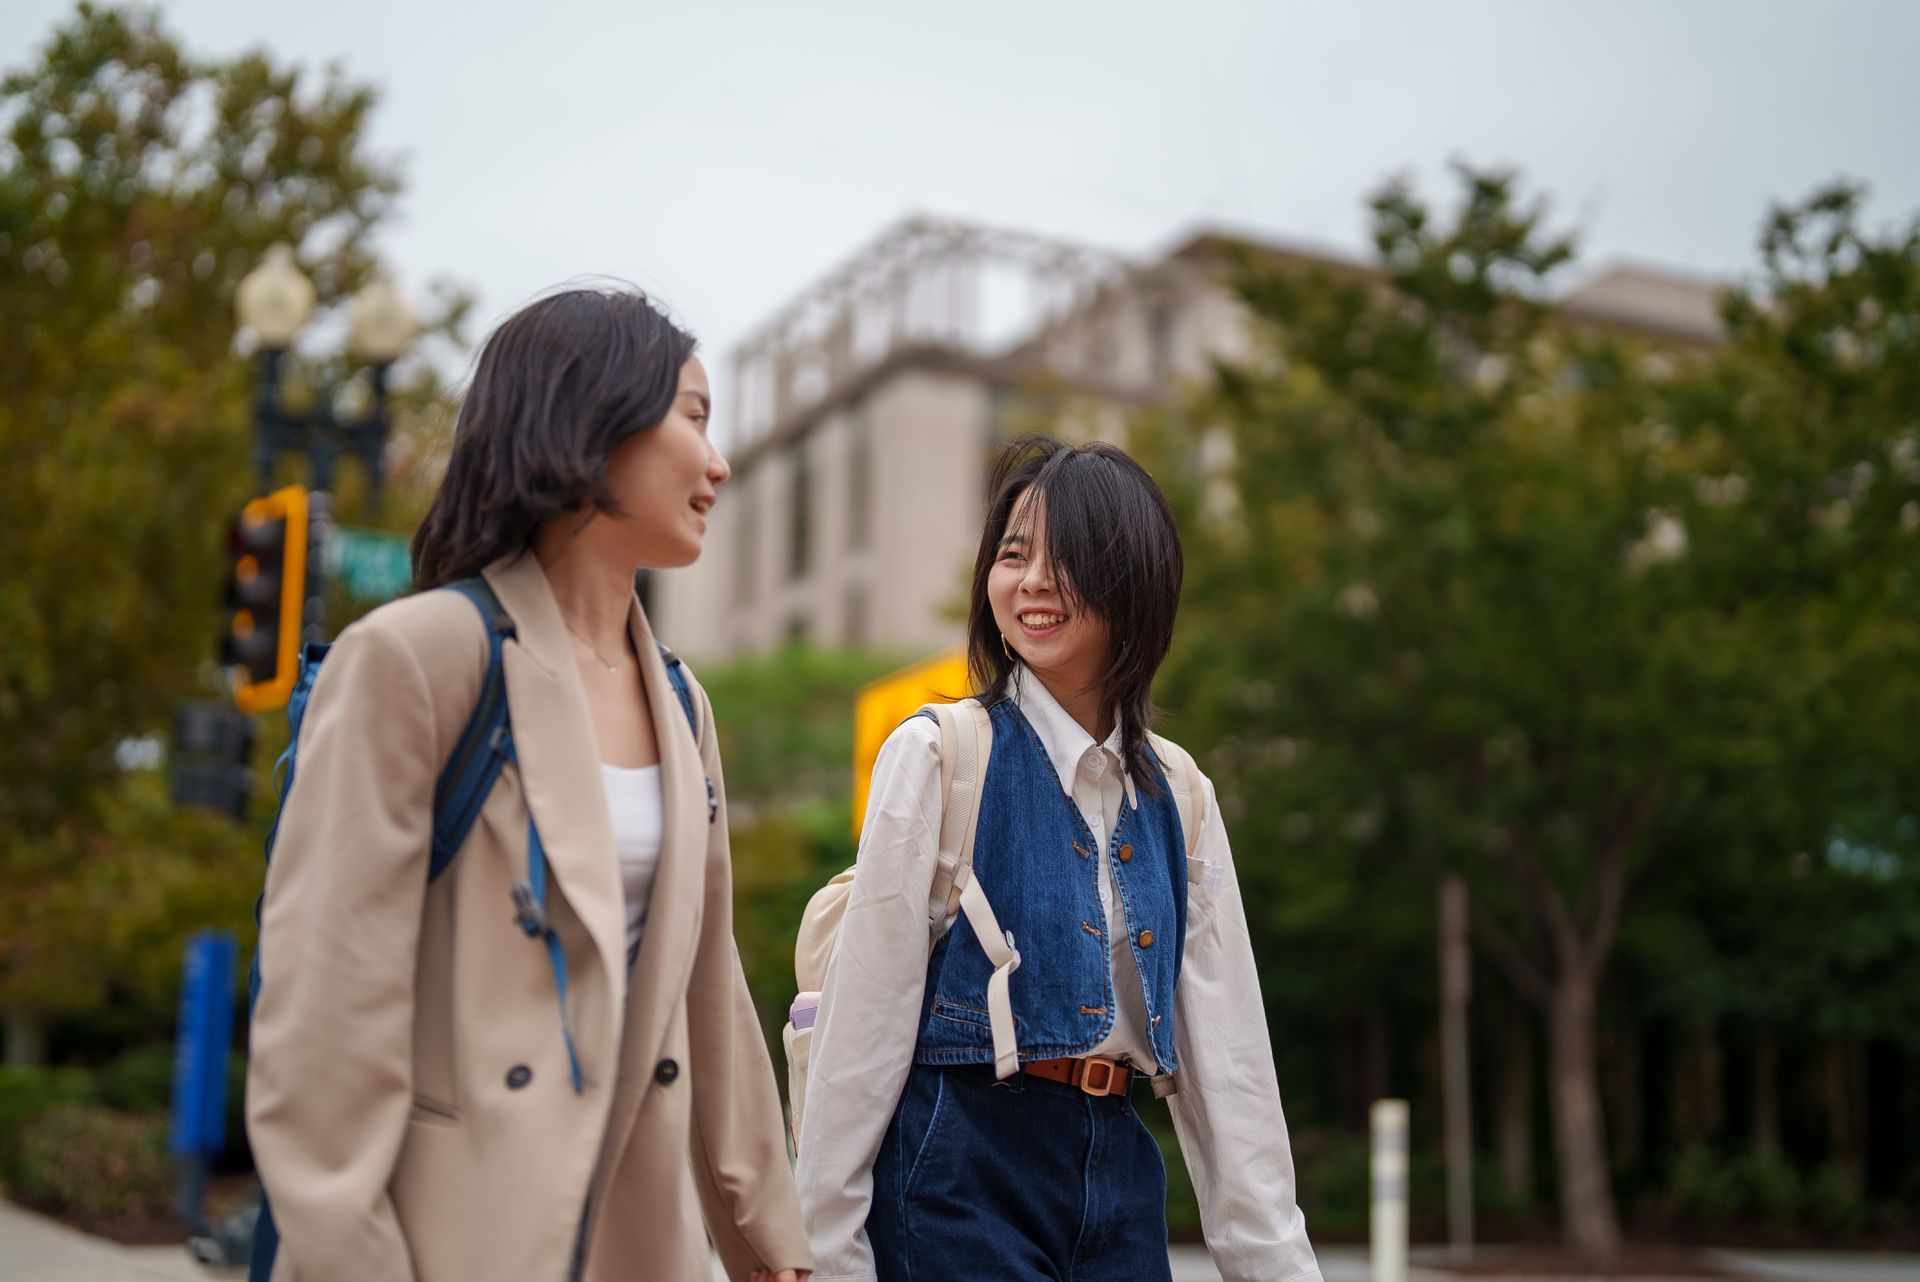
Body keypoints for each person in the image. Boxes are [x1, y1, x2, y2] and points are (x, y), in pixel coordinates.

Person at [246, 288, 812, 1282]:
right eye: (694, 414)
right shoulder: (416, 657)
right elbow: (326, 1015)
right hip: (450, 1236)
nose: (719, 463)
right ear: (592, 420)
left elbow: (709, 993)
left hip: (635, 1240)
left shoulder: (683, 701)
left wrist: (771, 1247)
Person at [794, 435, 1322, 1282]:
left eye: (1066, 557)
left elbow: (1229, 1064)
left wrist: (1276, 1266)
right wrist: (827, 1255)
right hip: (958, 1168)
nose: (1031, 581)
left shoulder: (1180, 794)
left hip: (1120, 1172)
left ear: (1134, 582)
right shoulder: (938, 754)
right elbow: (865, 1028)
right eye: (1012, 554)